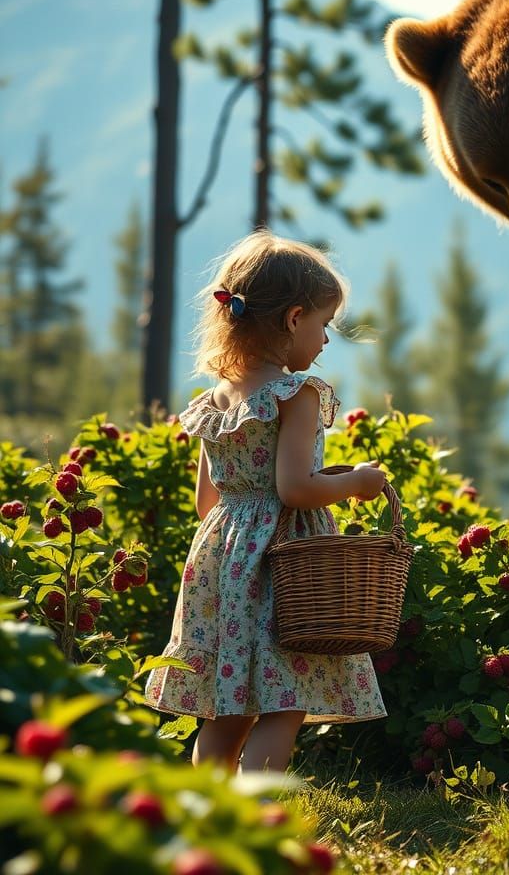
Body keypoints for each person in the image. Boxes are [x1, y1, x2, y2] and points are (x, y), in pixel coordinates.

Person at [144, 230, 388, 774]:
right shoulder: (295, 395)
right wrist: (357, 483)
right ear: (294, 318)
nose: (325, 341)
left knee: (228, 707)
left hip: (223, 560)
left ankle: (207, 806)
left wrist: (240, 527)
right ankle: (254, 810)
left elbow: (207, 501)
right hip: (282, 562)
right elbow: (294, 489)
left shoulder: (214, 400)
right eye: (324, 324)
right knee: (284, 700)